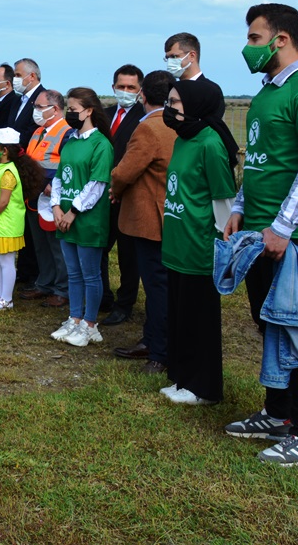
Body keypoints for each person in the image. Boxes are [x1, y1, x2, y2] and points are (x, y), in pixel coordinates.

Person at [223, 2, 298, 467]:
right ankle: (277, 412)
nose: (248, 47)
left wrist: (283, 227)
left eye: (253, 37)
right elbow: (261, 162)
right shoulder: (266, 93)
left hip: (292, 238)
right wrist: (241, 209)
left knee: (295, 330)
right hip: (258, 233)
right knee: (269, 325)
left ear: (281, 39)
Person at [159, 78, 239, 405]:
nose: (169, 109)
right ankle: (181, 377)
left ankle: (203, 387)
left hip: (199, 246)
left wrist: (222, 247)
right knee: (178, 316)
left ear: (195, 105)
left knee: (198, 320)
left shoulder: (210, 143)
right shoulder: (182, 139)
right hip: (177, 242)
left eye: (175, 103)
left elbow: (223, 201)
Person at [109, 71, 177, 373]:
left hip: (148, 218)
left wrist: (116, 189)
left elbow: (124, 171)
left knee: (156, 286)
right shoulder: (175, 123)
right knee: (160, 285)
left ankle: (158, 350)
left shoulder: (149, 128)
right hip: (167, 214)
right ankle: (155, 340)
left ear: (143, 95)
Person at [51, 88, 114, 347]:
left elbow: (97, 184)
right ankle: (74, 318)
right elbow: (59, 177)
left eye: (74, 110)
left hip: (87, 218)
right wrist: (56, 206)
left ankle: (90, 324)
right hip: (64, 217)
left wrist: (73, 211)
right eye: (68, 109)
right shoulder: (70, 141)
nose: (70, 114)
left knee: (90, 274)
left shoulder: (101, 144)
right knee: (73, 273)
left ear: (89, 111)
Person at [18, 89, 73, 309]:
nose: (36, 111)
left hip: (52, 198)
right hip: (33, 195)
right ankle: (44, 283)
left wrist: (54, 183)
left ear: (55, 109)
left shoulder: (66, 133)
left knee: (56, 247)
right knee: (40, 245)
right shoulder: (38, 131)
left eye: (40, 107)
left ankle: (62, 289)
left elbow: (67, 165)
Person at [101, 64, 145, 326]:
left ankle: (124, 303)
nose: (126, 91)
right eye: (121, 86)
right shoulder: (103, 115)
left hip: (128, 196)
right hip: (101, 195)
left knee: (129, 255)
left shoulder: (144, 117)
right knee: (99, 248)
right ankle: (103, 296)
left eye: (131, 87)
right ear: (113, 87)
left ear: (140, 91)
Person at [0, 128, 44, 310]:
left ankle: (6, 299)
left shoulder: (8, 173)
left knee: (6, 261)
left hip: (5, 223)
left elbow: (3, 202)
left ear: (5, 150)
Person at [164, 32, 227, 118]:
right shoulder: (171, 90)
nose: (170, 62)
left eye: (174, 57)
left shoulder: (210, 90)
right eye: (167, 58)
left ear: (192, 56)